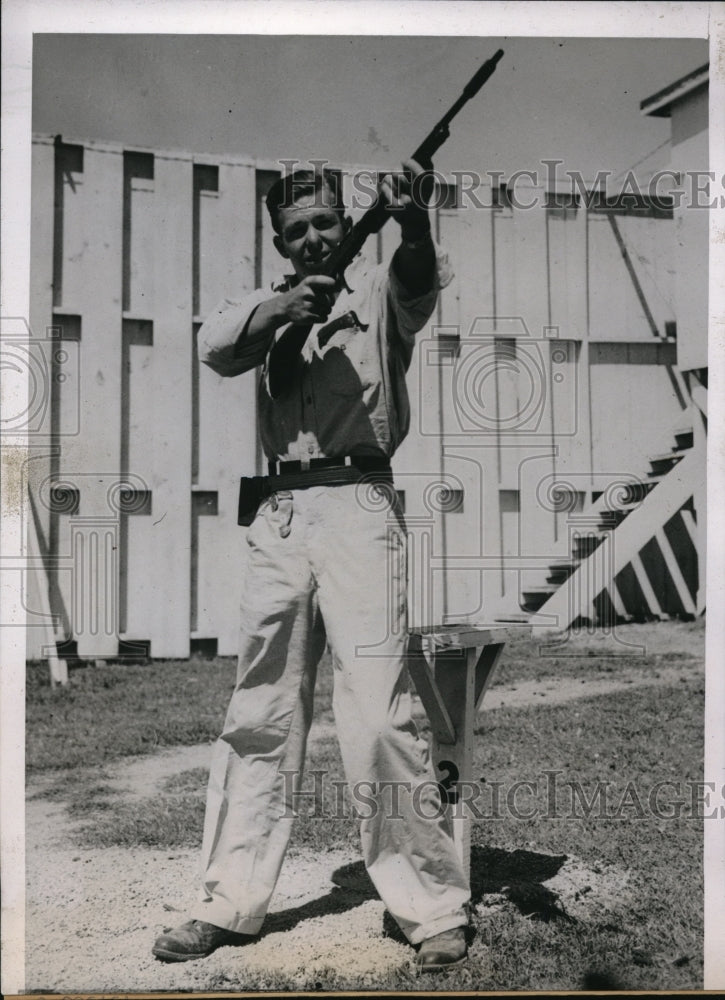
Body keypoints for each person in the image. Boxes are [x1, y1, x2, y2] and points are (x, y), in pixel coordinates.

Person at [152, 158, 471, 970]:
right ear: (279, 243)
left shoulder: (375, 297)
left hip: (358, 504)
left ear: (343, 224)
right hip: (280, 513)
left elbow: (417, 281)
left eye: (326, 223)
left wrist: (413, 223)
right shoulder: (264, 306)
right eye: (297, 231)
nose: (315, 238)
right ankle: (230, 902)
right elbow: (214, 348)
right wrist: (283, 307)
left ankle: (430, 907)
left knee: (375, 706)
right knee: (259, 709)